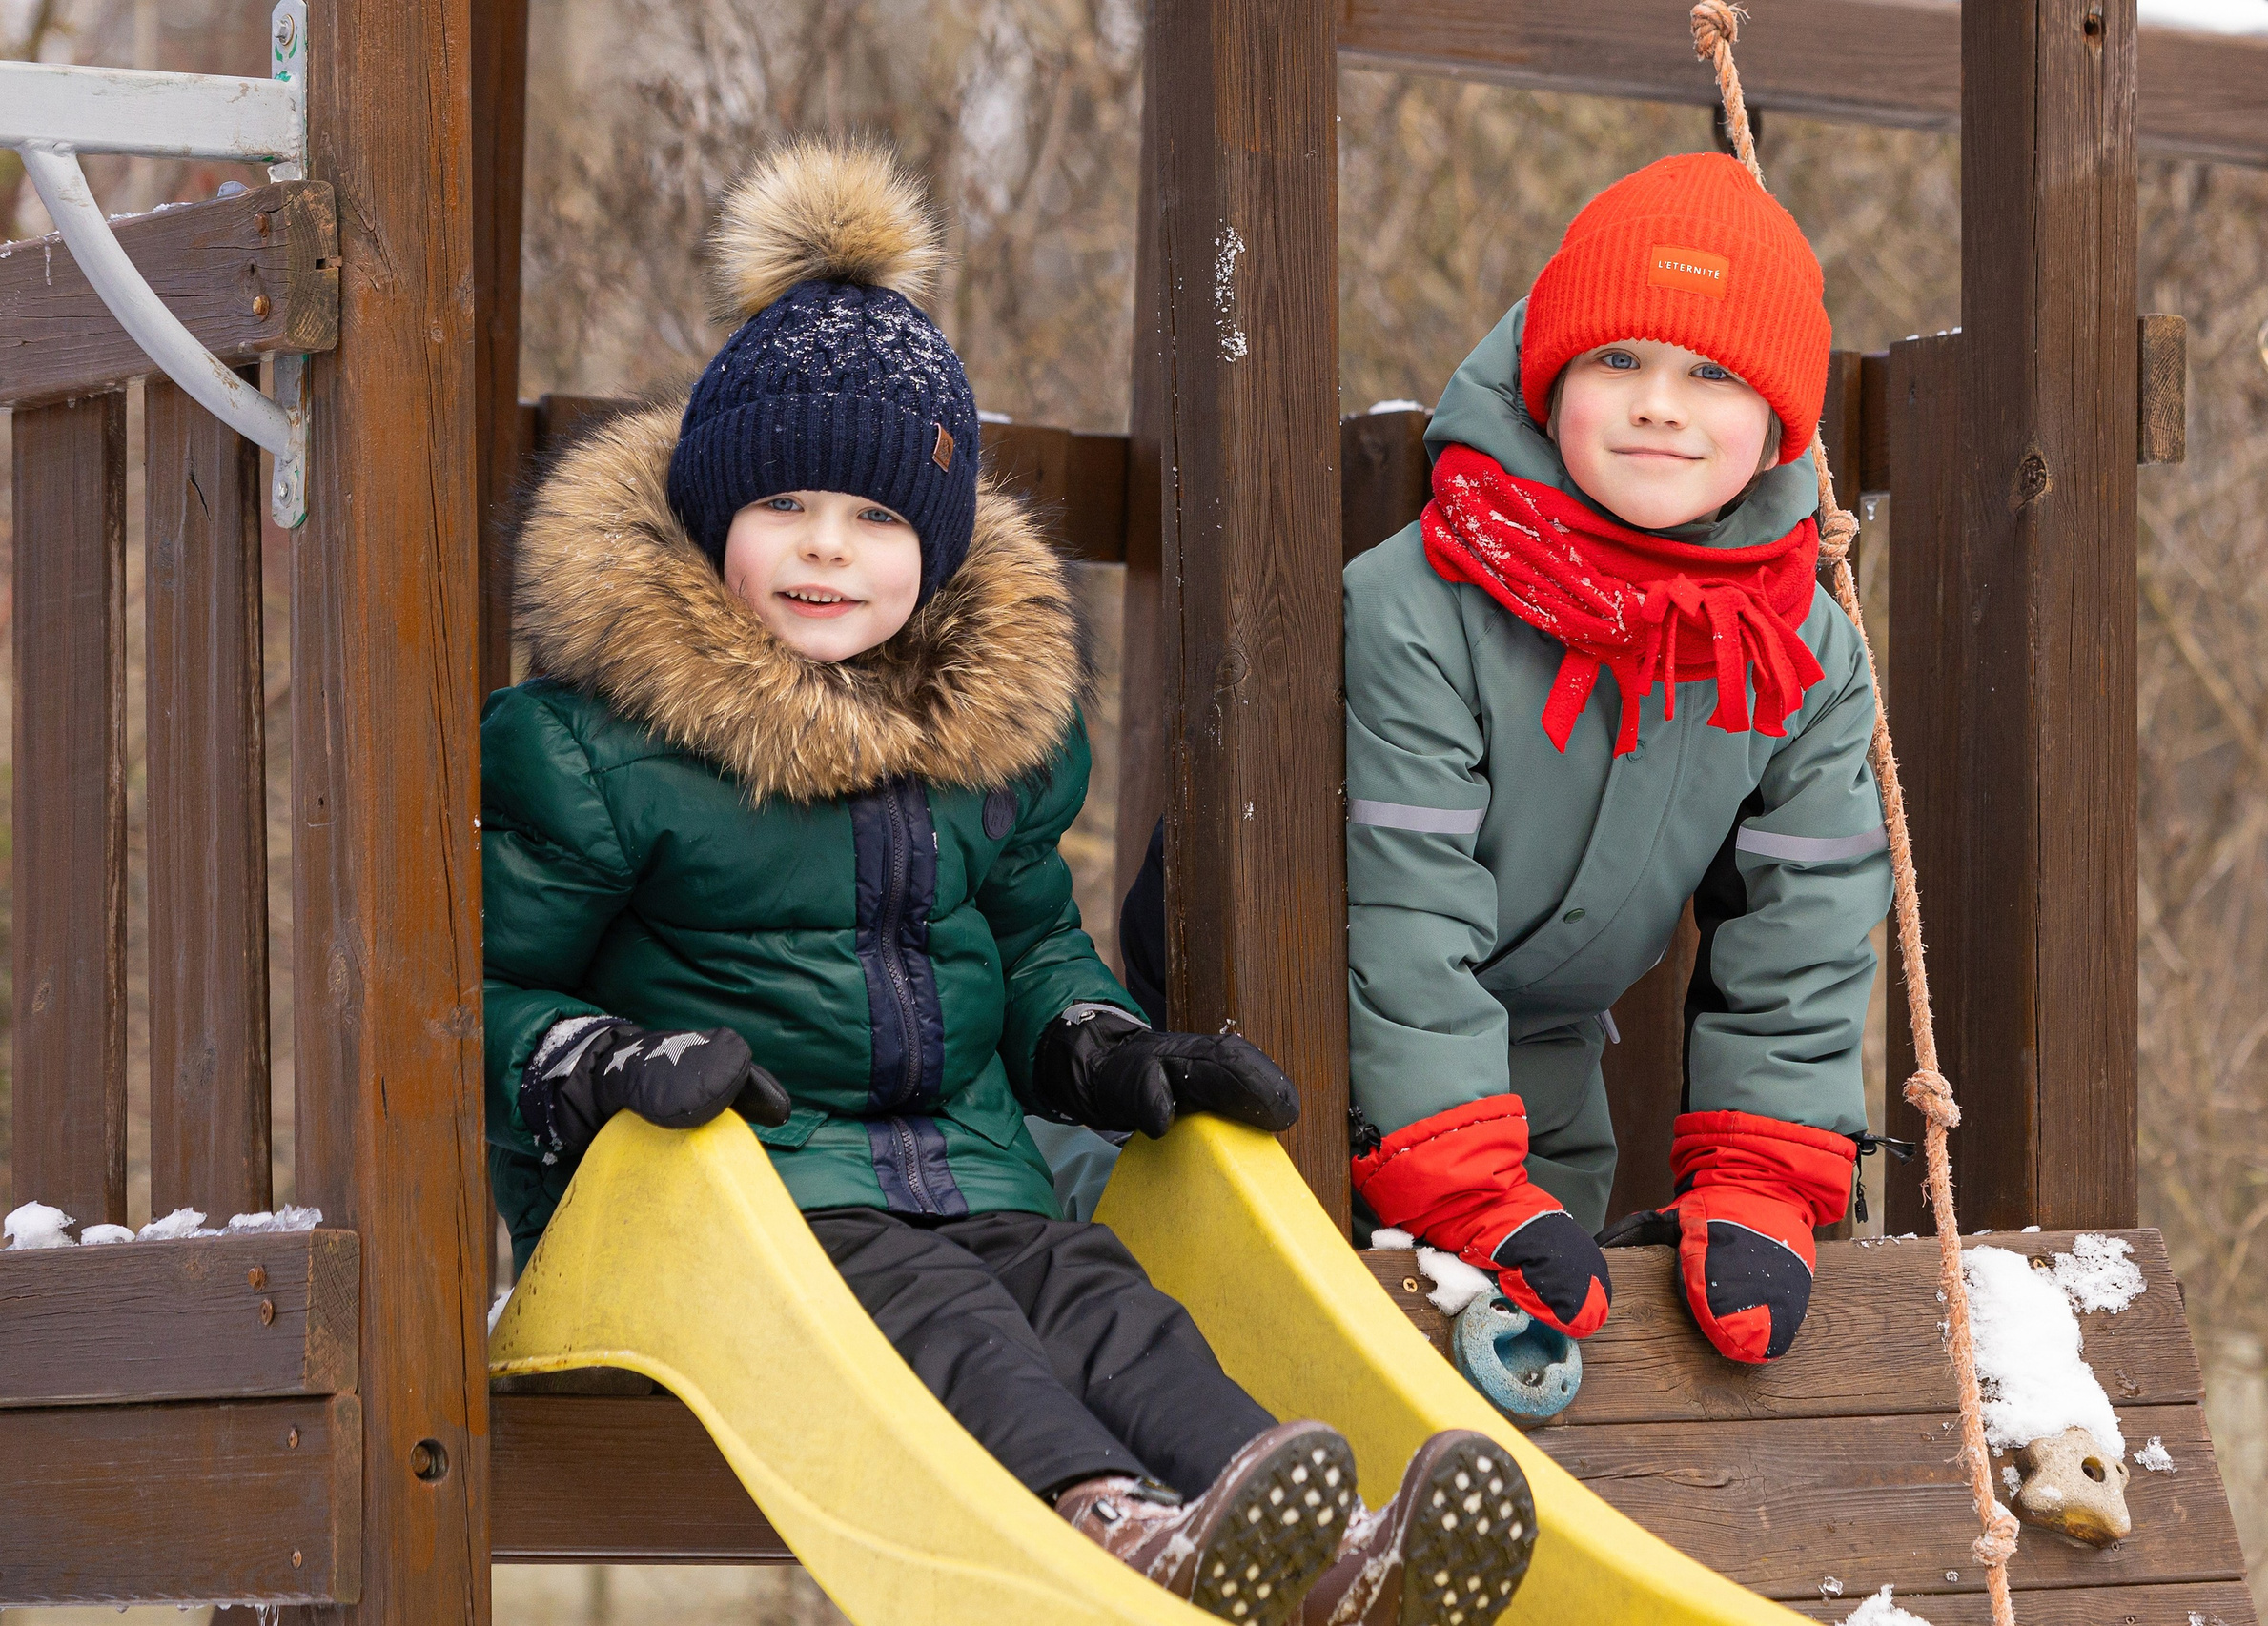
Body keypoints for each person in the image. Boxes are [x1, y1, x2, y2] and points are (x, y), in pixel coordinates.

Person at [480, 138, 1534, 1626]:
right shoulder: (601, 751)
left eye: (878, 520)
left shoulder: (981, 752)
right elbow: (481, 994)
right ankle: (1112, 1520)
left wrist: (1100, 1047)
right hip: (731, 1214)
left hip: (970, 1178)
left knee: (1101, 1298)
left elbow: (1035, 951)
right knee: (954, 1312)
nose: (828, 549)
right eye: (785, 507)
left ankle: (1319, 1538)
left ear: (936, 551)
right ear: (712, 522)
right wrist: (602, 1060)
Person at [1122, 152, 1895, 1366]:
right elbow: (1403, 898)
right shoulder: (1422, 602)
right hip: (1287, 1027)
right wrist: (1459, 1173)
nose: (1659, 404)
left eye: (1711, 372)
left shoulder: (1797, 647)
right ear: (1548, 382)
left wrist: (1763, 1174)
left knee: (1548, 1353)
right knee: (1296, 1334)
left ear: (1776, 428)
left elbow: (1805, 924)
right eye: (1617, 360)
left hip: (1536, 1053)